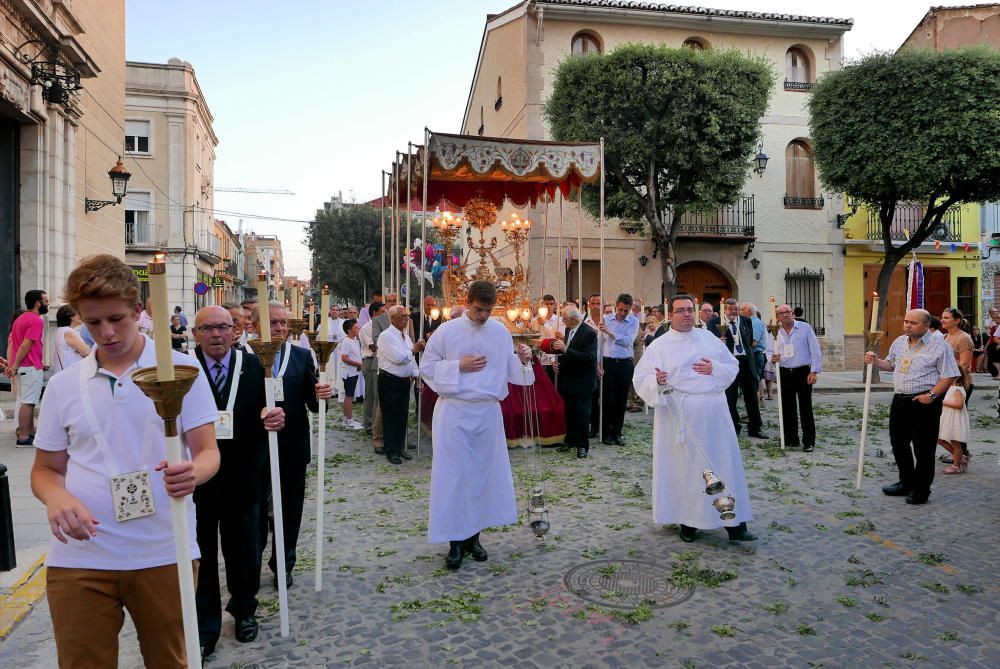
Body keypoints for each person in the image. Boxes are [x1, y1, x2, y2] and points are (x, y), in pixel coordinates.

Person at [31, 254, 219, 667]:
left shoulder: (181, 370)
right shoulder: (63, 386)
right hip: (81, 556)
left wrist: (193, 473)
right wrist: (57, 500)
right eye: (93, 322)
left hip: (163, 550)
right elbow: (45, 470)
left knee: (171, 661)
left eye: (117, 318)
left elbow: (207, 451)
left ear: (139, 311)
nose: (107, 332)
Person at [420, 280, 534, 570]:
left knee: (481, 477)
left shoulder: (498, 331)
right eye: (479, 309)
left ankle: (474, 538)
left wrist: (522, 359)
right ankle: (454, 544)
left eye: (488, 310)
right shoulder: (448, 331)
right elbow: (427, 367)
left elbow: (509, 368)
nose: (484, 316)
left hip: (486, 414)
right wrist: (458, 365)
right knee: (455, 477)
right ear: (467, 301)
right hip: (456, 412)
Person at [190, 305, 284, 657]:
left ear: (235, 331)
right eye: (207, 328)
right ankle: (204, 625)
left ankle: (244, 610)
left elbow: (273, 408)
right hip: (198, 480)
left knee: (245, 548)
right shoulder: (183, 369)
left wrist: (274, 416)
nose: (216, 334)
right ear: (196, 333)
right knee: (200, 553)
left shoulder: (257, 365)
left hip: (244, 474)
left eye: (223, 327)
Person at [633, 294, 755, 544]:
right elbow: (640, 378)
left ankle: (734, 524)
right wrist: (656, 381)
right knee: (686, 470)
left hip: (714, 414)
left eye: (690, 309)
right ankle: (688, 522)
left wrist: (715, 370)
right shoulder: (660, 345)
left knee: (724, 465)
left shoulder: (709, 338)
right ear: (671, 315)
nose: (687, 314)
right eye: (681, 310)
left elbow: (732, 366)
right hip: (680, 415)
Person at [251, 301, 333, 587]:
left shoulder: (300, 356)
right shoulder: (246, 357)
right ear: (255, 325)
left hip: (293, 446)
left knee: (290, 508)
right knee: (255, 510)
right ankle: (252, 560)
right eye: (273, 322)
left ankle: (284, 562)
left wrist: (322, 393)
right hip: (255, 447)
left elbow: (313, 402)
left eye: (283, 323)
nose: (280, 328)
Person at [865, 309, 960, 505]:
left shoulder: (939, 346)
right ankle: (905, 482)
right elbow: (890, 365)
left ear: (926, 325)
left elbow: (949, 374)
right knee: (898, 444)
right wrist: (875, 361)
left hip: (924, 402)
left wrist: (932, 395)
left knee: (923, 448)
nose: (907, 325)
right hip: (900, 401)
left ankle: (921, 489)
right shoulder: (900, 342)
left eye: (913, 323)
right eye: (906, 321)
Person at [708, 299, 766, 439]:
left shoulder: (746, 321)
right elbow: (709, 341)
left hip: (746, 361)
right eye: (730, 309)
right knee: (730, 396)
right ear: (724, 309)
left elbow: (749, 340)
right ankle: (734, 426)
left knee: (751, 395)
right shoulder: (715, 322)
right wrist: (718, 342)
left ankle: (755, 427)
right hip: (728, 362)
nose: (734, 311)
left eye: (736, 309)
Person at [770, 304, 823, 452]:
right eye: (781, 313)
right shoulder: (773, 331)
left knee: (805, 408)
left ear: (792, 313)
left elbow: (815, 350)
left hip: (803, 372)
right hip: (784, 372)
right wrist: (771, 358)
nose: (785, 315)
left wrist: (814, 371)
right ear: (777, 317)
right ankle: (791, 439)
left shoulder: (805, 328)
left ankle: (809, 441)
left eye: (787, 312)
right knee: (787, 407)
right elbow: (768, 351)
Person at [376, 305, 424, 464]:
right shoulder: (386, 336)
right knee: (390, 416)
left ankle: (400, 446)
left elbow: (410, 361)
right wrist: (414, 350)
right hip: (389, 380)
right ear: (394, 318)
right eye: (403, 316)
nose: (407, 319)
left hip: (404, 380)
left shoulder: (405, 336)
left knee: (403, 415)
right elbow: (398, 358)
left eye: (407, 316)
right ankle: (391, 450)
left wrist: (417, 375)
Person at [550, 305, 597, 458]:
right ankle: (569, 440)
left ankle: (582, 446)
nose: (562, 321)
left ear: (574, 319)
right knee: (569, 411)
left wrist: (565, 350)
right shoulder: (569, 329)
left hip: (584, 380)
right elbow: (569, 353)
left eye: (564, 318)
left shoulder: (589, 333)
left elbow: (589, 358)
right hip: (569, 378)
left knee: (582, 413)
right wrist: (560, 363)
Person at [6, 290, 49, 445]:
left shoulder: (21, 318)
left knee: (27, 401)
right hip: (29, 367)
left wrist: (14, 366)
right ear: (37, 303)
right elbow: (25, 345)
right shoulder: (37, 320)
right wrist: (15, 365)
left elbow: (19, 344)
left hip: (27, 367)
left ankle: (29, 433)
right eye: (46, 300)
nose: (48, 303)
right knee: (29, 402)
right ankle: (24, 437)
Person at [598, 294, 640, 446]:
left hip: (625, 363)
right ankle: (606, 433)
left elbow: (628, 341)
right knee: (608, 399)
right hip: (608, 362)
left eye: (626, 310)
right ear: (616, 305)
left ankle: (617, 432)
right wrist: (598, 363)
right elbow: (599, 343)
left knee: (621, 400)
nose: (623, 313)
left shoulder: (634, 322)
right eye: (621, 309)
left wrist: (610, 333)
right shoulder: (606, 319)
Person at [359, 301, 384, 434]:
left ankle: (376, 423)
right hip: (370, 360)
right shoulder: (366, 328)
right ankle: (369, 424)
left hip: (380, 360)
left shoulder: (382, 326)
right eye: (382, 312)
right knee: (370, 394)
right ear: (374, 313)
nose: (384, 314)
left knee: (378, 393)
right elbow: (373, 346)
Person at [937, 378, 970, 475]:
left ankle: (956, 466)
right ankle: (960, 457)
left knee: (955, 442)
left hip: (954, 419)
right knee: (939, 439)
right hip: (948, 417)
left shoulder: (957, 389)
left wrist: (943, 402)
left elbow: (960, 405)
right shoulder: (951, 388)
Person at [339, 318, 364, 430]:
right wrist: (358, 364)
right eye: (355, 327)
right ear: (349, 330)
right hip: (349, 372)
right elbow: (344, 358)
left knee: (350, 395)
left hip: (353, 371)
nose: (358, 329)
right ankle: (349, 421)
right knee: (349, 396)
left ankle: (347, 419)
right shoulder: (346, 341)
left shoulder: (354, 340)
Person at [52, 304, 91, 373]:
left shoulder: (61, 330)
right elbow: (86, 352)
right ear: (71, 317)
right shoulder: (69, 332)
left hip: (64, 372)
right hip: (71, 372)